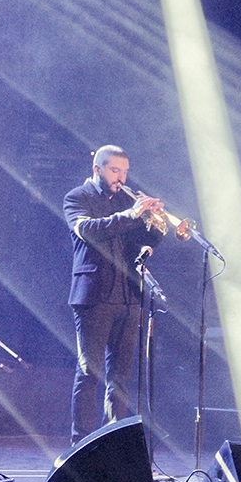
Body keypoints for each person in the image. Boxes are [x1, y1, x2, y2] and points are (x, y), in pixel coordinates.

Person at [63, 145, 164, 444]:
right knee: (89, 372)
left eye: (124, 171)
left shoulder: (125, 200)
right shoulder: (77, 198)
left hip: (128, 295)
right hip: (93, 295)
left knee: (120, 379)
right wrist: (133, 213)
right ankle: (80, 444)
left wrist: (154, 231)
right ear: (98, 169)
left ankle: (114, 445)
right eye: (114, 170)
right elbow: (91, 231)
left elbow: (142, 238)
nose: (121, 177)